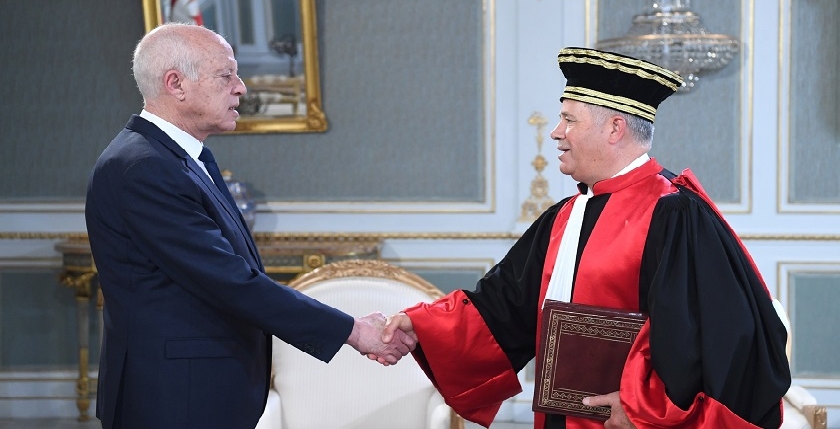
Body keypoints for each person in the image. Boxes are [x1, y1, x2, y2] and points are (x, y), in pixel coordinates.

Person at [382, 47, 791, 429]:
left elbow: (719, 338)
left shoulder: (675, 213)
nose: (556, 132)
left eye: (569, 120)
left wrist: (644, 407)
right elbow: (503, 307)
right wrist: (423, 326)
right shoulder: (565, 216)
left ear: (615, 128)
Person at [85, 22, 415, 429]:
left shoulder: (179, 159)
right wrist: (354, 331)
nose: (241, 88)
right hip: (173, 399)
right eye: (226, 75)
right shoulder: (143, 168)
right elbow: (230, 281)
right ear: (176, 84)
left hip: (194, 394)